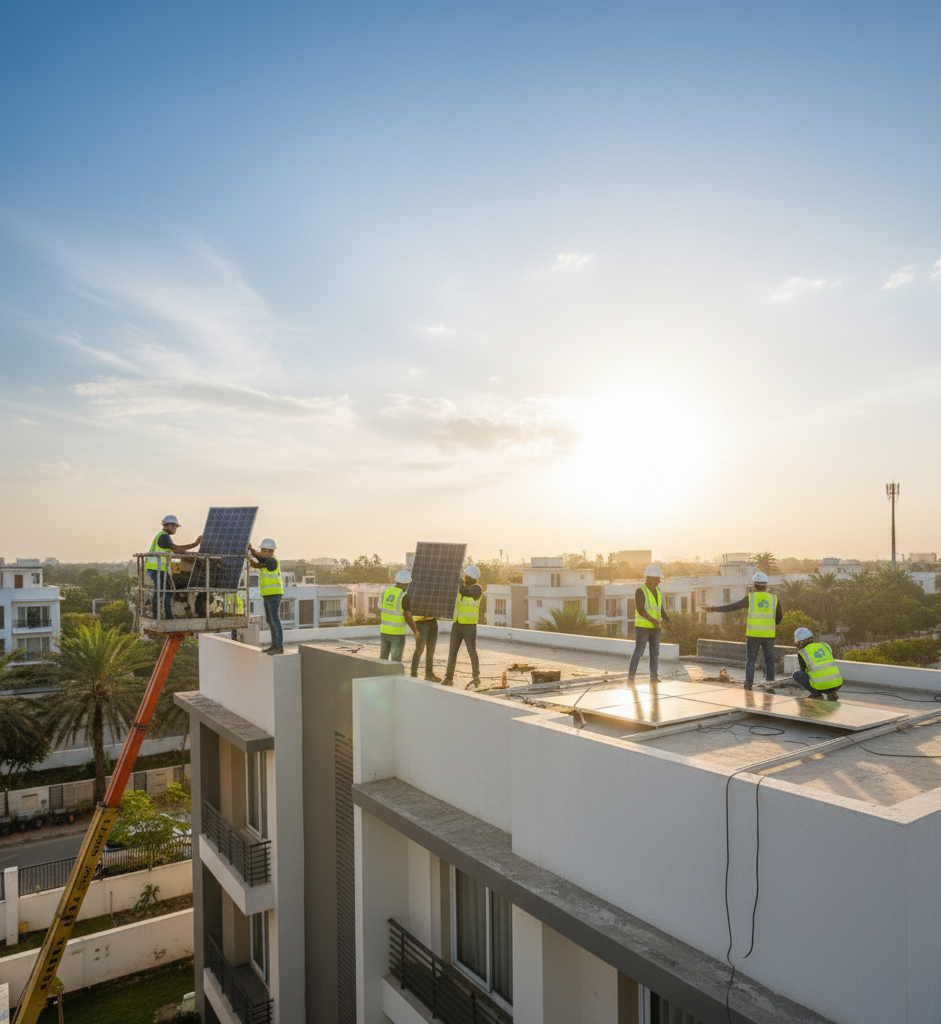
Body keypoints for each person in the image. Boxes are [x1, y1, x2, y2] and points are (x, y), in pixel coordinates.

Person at [704, 571, 783, 689]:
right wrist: (770, 624)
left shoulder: (750, 598)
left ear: (754, 585)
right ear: (766, 585)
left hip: (752, 634)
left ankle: (748, 684)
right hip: (769, 635)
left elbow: (732, 606)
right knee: (769, 660)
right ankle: (770, 685)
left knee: (751, 660)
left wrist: (714, 609)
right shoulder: (774, 599)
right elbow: (779, 617)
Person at [145, 515, 202, 620]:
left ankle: (164, 615)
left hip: (158, 568)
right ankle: (163, 615)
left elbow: (175, 550)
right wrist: (195, 544)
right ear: (168, 526)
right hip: (156, 569)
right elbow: (177, 549)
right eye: (174, 526)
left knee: (167, 590)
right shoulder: (164, 537)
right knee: (165, 590)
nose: (175, 529)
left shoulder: (163, 536)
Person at [627, 565, 674, 683]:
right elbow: (640, 609)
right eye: (655, 578)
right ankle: (630, 679)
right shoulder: (640, 591)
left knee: (655, 653)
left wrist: (669, 621)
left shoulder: (658, 591)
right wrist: (652, 620)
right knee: (638, 653)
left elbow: (660, 609)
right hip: (643, 628)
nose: (658, 581)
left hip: (656, 628)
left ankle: (654, 677)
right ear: (648, 578)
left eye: (659, 579)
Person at [442, 565, 483, 689]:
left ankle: (476, 678)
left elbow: (467, 592)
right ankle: (448, 678)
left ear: (472, 578)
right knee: (452, 653)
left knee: (472, 652)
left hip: (469, 626)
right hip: (457, 624)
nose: (464, 578)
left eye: (466, 576)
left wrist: (459, 584)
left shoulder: (477, 589)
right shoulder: (461, 589)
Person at [247, 538, 284, 655]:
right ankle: (274, 645)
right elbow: (259, 556)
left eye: (264, 550)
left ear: (270, 552)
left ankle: (279, 646)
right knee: (270, 620)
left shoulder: (272, 561)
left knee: (274, 619)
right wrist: (252, 550)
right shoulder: (266, 558)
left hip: (274, 594)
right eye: (261, 550)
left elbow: (256, 564)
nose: (262, 552)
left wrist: (249, 556)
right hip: (267, 595)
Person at [379, 569, 419, 662]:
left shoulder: (386, 592)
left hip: (384, 631)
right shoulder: (404, 596)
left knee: (382, 660)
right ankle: (393, 676)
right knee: (395, 663)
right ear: (405, 584)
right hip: (397, 633)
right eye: (408, 584)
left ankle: (380, 675)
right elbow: (407, 615)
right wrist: (415, 631)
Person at [792, 627, 842, 700]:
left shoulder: (802, 652)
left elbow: (804, 670)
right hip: (837, 684)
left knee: (797, 674)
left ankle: (816, 694)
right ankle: (832, 692)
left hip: (820, 686)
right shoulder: (825, 646)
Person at [410, 607, 441, 681]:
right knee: (419, 649)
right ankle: (413, 675)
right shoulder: (417, 595)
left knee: (431, 650)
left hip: (432, 621)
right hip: (421, 622)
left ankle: (429, 674)